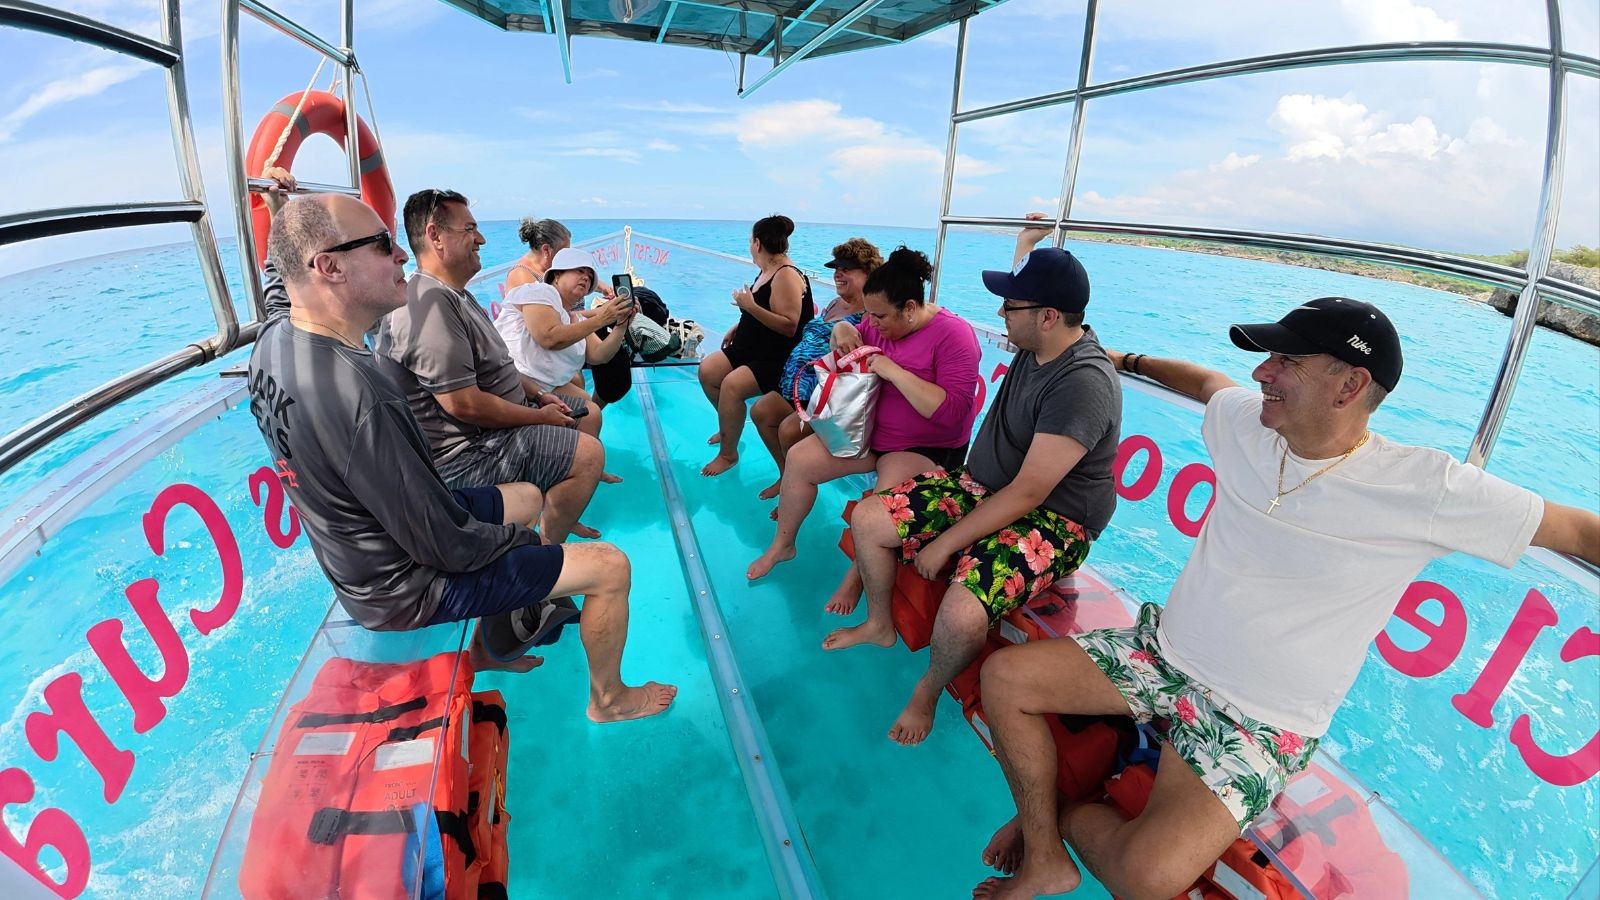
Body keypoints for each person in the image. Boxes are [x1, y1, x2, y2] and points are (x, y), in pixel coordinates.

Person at [970, 299, 1600, 900]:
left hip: (1259, 716)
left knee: (1145, 878)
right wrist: (1125, 362)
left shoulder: (1427, 486)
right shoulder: (1247, 422)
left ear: (1349, 385)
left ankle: (1064, 812)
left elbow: (1575, 531)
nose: (1260, 372)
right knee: (1005, 679)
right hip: (1161, 653)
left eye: (1285, 362)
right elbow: (1207, 381)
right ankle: (1047, 850)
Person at [247, 193, 675, 722]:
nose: (401, 256)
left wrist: (281, 209)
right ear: (328, 267)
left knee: (524, 496)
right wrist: (524, 544)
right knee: (610, 566)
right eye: (383, 246)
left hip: (360, 557)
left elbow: (277, 286)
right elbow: (442, 542)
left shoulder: (275, 338)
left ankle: (492, 646)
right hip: (404, 585)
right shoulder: (363, 396)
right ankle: (608, 700)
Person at [825, 230, 1123, 752]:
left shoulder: (1082, 384)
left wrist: (944, 543)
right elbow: (1030, 301)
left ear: (1049, 315)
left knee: (963, 609)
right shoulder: (1040, 340)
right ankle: (879, 624)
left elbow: (1030, 493)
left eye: (1010, 305)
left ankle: (929, 689)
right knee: (869, 519)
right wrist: (1027, 246)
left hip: (1052, 518)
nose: (1001, 313)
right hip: (982, 485)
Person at [371, 189, 607, 542]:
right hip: (464, 456)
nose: (481, 238)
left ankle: (555, 517)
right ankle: (546, 554)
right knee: (588, 454)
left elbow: (501, 366)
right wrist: (538, 417)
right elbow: (463, 404)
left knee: (586, 414)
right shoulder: (429, 306)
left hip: (500, 421)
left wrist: (540, 396)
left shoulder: (456, 294)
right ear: (435, 236)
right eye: (470, 229)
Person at [746, 246, 980, 582]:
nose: (870, 323)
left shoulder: (954, 336)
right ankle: (783, 545)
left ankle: (855, 581)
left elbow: (954, 414)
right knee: (798, 458)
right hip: (868, 433)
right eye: (867, 314)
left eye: (880, 316)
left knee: (879, 512)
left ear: (910, 308)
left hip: (921, 447)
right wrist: (840, 330)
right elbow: (847, 342)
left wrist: (893, 370)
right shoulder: (872, 325)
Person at [751, 237, 884, 502]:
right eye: (836, 268)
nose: (838, 274)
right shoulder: (835, 304)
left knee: (788, 431)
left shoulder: (871, 313)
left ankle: (794, 489)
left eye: (847, 268)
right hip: (797, 385)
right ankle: (785, 475)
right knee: (761, 412)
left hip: (824, 396)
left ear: (868, 273)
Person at [700, 214, 815, 476]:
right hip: (750, 346)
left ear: (758, 243)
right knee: (708, 371)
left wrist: (749, 307)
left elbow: (789, 325)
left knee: (732, 385)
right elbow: (763, 308)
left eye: (750, 240)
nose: (750, 245)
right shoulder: (766, 270)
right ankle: (730, 426)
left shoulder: (786, 275)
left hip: (776, 357)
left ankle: (728, 454)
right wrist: (739, 324)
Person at [493, 246, 635, 448]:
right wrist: (603, 317)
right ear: (557, 275)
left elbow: (598, 355)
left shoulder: (574, 318)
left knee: (590, 410)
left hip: (543, 382)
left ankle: (588, 458)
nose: (586, 278)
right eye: (579, 271)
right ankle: (582, 460)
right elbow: (549, 337)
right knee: (589, 410)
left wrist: (621, 326)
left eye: (589, 276)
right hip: (513, 379)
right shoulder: (540, 292)